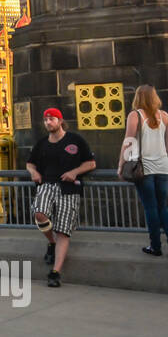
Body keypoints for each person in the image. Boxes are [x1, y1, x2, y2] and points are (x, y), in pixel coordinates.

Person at [25, 108, 97, 288]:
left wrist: (74, 172)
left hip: (69, 188)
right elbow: (30, 163)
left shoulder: (75, 140)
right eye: (46, 119)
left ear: (60, 121)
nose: (48, 122)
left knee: (63, 230)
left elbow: (91, 163)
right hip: (47, 184)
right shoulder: (41, 144)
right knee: (39, 213)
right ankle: (51, 242)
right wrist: (33, 172)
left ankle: (55, 272)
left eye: (52, 119)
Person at [125, 84, 168, 259]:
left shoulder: (135, 115)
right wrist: (166, 162)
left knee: (150, 207)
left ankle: (155, 246)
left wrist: (122, 164)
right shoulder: (165, 116)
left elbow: (129, 141)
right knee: (163, 207)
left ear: (138, 97)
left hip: (144, 169)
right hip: (163, 168)